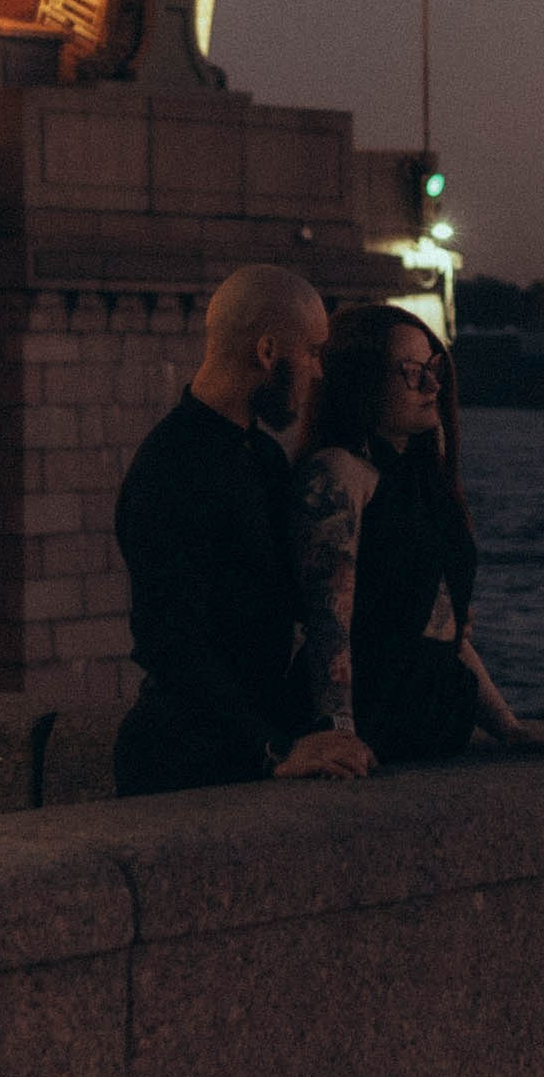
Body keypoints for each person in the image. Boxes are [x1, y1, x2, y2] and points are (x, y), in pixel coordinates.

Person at [112, 266, 376, 795]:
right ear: (267, 352)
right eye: (312, 353)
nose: (318, 373)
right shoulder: (173, 465)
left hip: (234, 751)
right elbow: (170, 640)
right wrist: (273, 749)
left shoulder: (262, 457)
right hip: (184, 765)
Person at [292, 304, 544, 762]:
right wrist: (339, 732)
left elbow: (443, 626)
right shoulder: (339, 473)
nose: (432, 384)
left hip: (433, 720)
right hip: (378, 720)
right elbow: (330, 621)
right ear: (362, 380)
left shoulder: (421, 479)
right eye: (410, 372)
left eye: (433, 368)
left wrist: (509, 728)